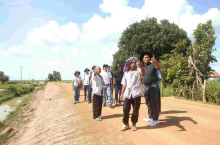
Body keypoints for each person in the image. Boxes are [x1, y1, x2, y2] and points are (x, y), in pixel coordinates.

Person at [120, 57, 145, 131]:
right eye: (132, 63)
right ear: (129, 64)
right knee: (125, 109)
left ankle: (134, 124)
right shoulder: (125, 73)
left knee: (135, 110)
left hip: (136, 93)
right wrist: (122, 93)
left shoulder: (138, 71)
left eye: (135, 62)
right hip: (128, 94)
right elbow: (124, 84)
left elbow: (144, 73)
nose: (133, 64)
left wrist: (141, 66)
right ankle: (126, 124)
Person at [140, 52, 160, 126]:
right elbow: (142, 77)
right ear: (143, 59)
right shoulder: (143, 68)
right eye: (145, 57)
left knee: (154, 102)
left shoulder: (153, 65)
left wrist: (155, 61)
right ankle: (150, 117)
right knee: (148, 102)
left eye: (148, 57)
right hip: (146, 87)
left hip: (153, 86)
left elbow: (158, 67)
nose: (147, 58)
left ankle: (156, 119)